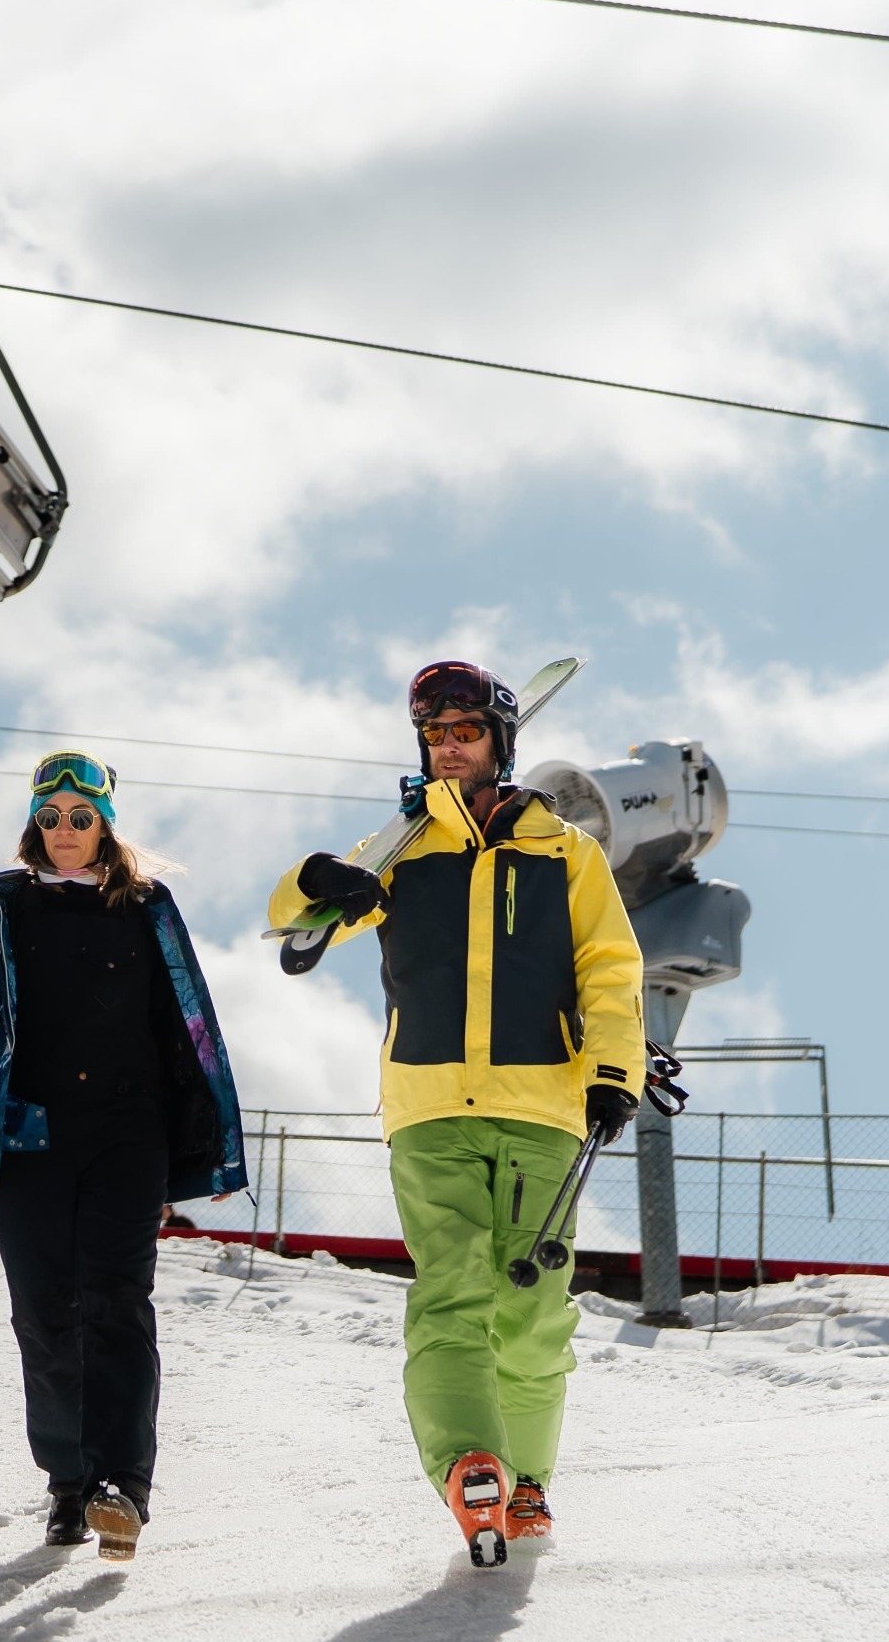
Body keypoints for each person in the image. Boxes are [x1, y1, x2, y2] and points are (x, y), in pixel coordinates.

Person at [266, 661, 642, 1567]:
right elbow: (298, 920)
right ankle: (472, 1460)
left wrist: (613, 1071)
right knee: (452, 1292)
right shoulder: (402, 847)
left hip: (543, 1105)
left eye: (464, 732)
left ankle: (530, 1478)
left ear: (500, 742)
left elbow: (609, 968)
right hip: (429, 1103)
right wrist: (320, 877)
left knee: (535, 1307)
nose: (449, 747)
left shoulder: (567, 853)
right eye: (435, 736)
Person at [0, 751, 247, 1561]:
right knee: (46, 1314)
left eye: (80, 816)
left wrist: (200, 1142)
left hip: (126, 1134)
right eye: (50, 818)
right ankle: (68, 1483)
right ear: (33, 826)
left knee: (116, 1302)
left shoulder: (146, 907)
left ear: (105, 821)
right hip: (27, 1133)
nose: (64, 831)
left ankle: (122, 1487)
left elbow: (188, 1026)